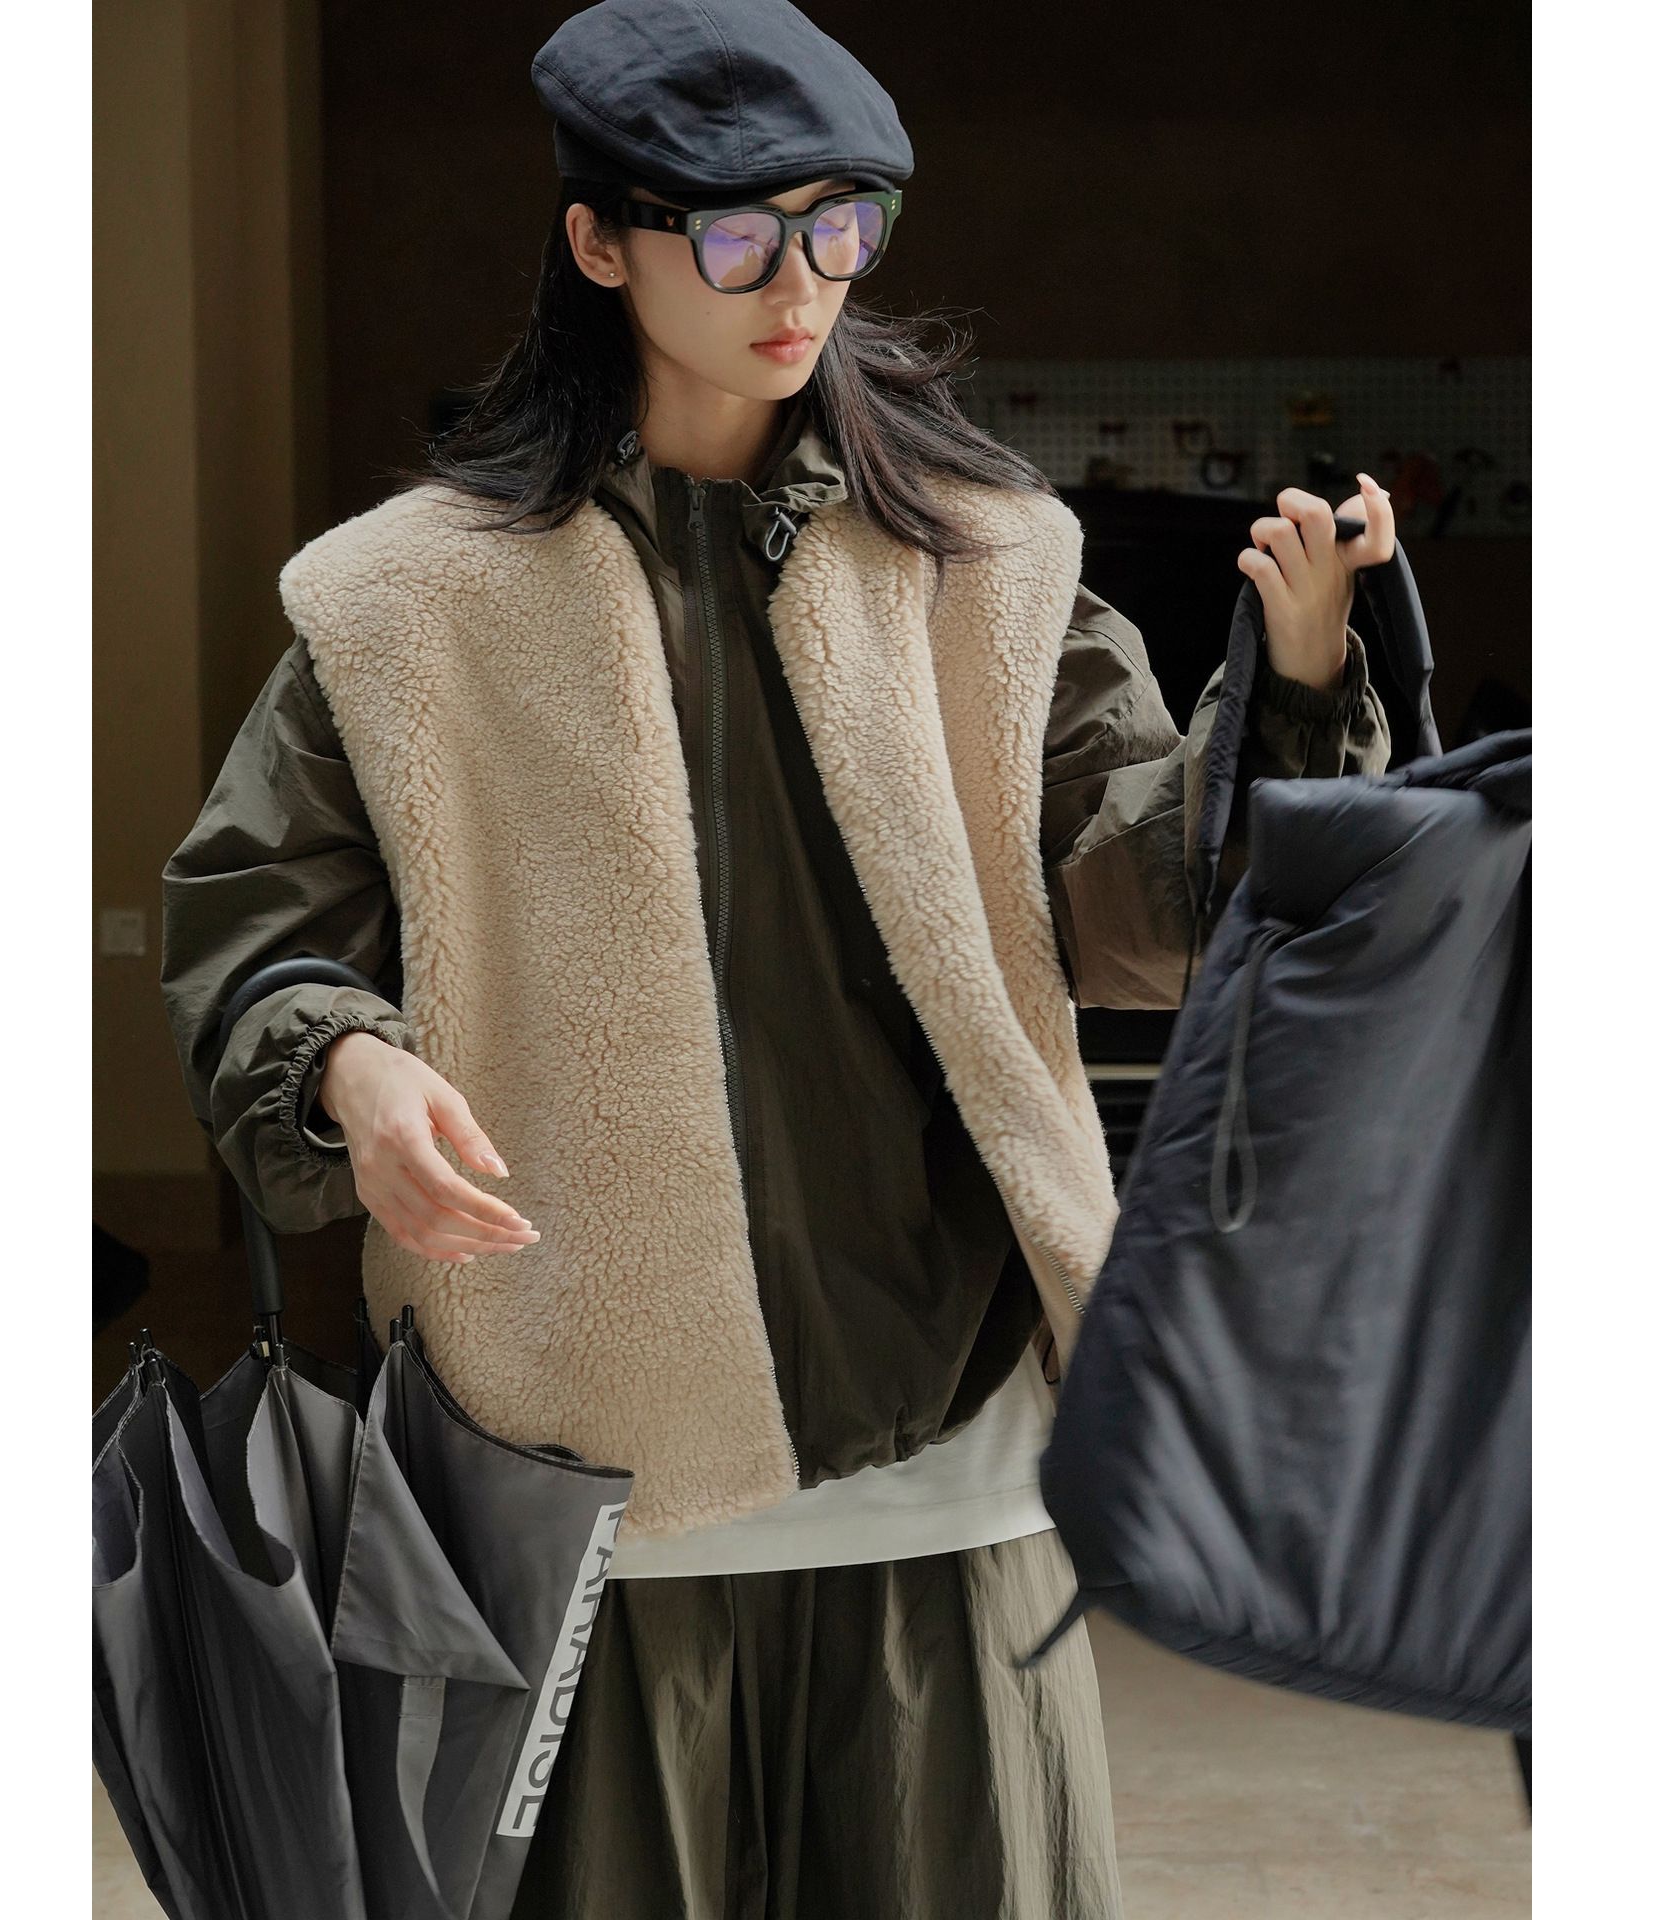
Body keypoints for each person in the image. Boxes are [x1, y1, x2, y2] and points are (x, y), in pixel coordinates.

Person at [160, 3, 1393, 1912]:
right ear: (599, 241)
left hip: (954, 1442)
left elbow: (1137, 911)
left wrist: (1295, 699)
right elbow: (257, 918)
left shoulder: (988, 565)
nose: (801, 284)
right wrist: (349, 1062)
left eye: (843, 228)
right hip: (589, 1456)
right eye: (740, 236)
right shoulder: (402, 604)